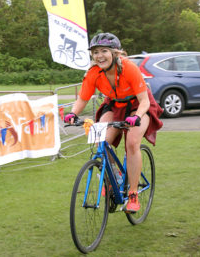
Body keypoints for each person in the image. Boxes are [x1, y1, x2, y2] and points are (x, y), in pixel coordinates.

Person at [64, 33, 163, 212]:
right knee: (100, 140)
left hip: (137, 105)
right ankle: (116, 176)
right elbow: (82, 99)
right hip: (114, 105)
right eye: (95, 52)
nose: (99, 56)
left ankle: (133, 193)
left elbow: (145, 101)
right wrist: (72, 113)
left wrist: (137, 117)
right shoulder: (93, 73)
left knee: (132, 143)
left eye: (104, 51)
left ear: (115, 53)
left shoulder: (129, 68)